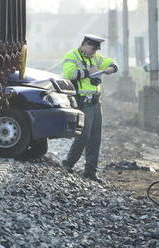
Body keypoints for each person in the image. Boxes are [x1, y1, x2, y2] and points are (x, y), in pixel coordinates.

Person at [61, 34, 118, 183]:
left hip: (96, 102)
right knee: (84, 136)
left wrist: (112, 67)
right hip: (83, 102)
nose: (94, 52)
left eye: (95, 50)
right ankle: (68, 163)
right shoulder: (72, 55)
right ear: (85, 44)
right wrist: (88, 72)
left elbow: (109, 61)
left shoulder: (95, 58)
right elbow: (69, 74)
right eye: (92, 49)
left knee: (95, 138)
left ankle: (90, 172)